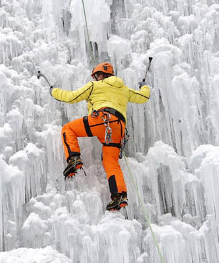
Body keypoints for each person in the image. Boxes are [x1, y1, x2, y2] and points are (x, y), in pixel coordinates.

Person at [51, 62, 150, 211]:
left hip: (101, 119)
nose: (96, 78)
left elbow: (71, 97)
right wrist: (144, 85)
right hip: (118, 128)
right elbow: (143, 96)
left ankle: (73, 158)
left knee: (68, 129)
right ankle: (119, 196)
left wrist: (53, 91)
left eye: (97, 75)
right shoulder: (123, 89)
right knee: (111, 162)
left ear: (102, 75)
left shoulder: (94, 86)